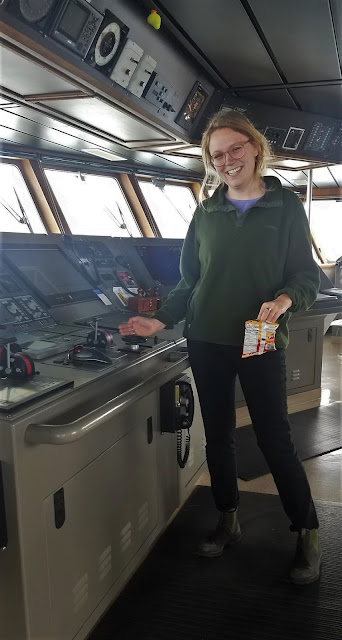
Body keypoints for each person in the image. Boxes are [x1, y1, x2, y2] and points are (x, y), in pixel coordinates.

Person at [119, 109, 322, 585]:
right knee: (220, 436)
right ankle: (228, 517)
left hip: (259, 337)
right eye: (217, 155)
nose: (228, 160)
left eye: (236, 148)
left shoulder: (285, 206)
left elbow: (306, 273)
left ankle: (307, 528)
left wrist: (285, 298)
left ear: (254, 147)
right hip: (207, 336)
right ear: (210, 163)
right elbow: (191, 280)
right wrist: (160, 319)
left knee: (274, 437)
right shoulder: (206, 211)